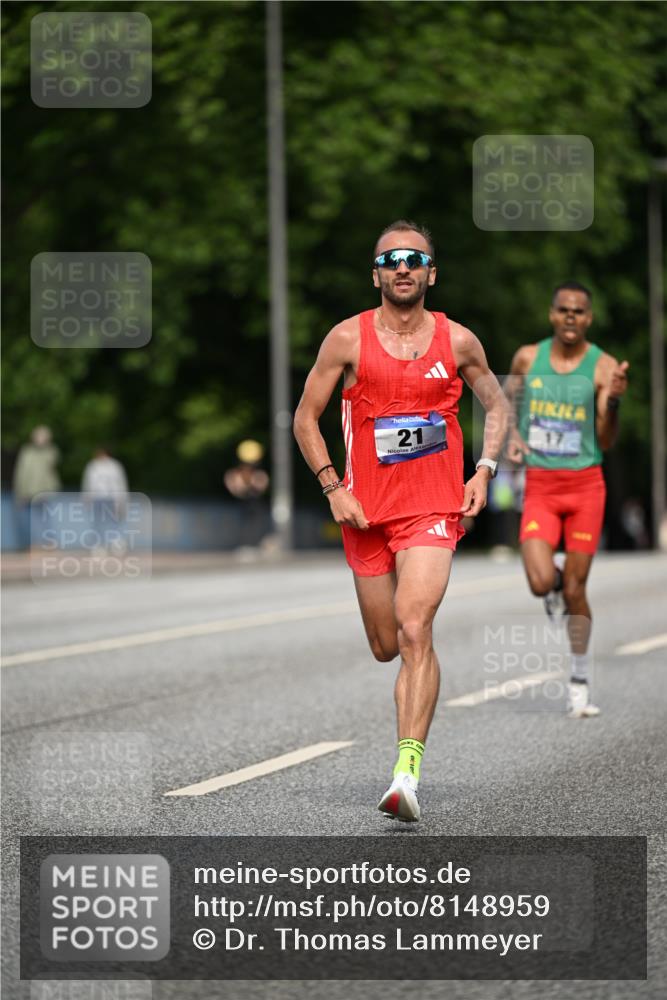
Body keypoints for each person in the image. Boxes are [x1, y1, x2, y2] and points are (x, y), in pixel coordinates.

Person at [293, 220, 508, 822]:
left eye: (414, 258)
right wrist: (332, 487)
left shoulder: (458, 341)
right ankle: (405, 753)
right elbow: (305, 418)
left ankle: (405, 773)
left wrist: (484, 471)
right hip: (364, 512)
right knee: (386, 645)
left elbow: (496, 404)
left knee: (415, 629)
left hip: (433, 507)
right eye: (391, 260)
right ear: (377, 275)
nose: (403, 267)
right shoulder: (346, 339)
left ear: (431, 273)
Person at [506, 282, 629, 719]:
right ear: (552, 314)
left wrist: (613, 403)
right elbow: (509, 403)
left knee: (576, 590)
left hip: (585, 487)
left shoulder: (604, 367)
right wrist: (514, 436)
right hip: (541, 485)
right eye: (564, 309)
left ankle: (578, 680)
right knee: (541, 582)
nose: (571, 316)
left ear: (589, 318)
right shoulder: (527, 358)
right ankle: (554, 583)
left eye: (579, 310)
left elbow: (606, 439)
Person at [12, 425, 61, 549]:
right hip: (27, 491)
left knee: (45, 518)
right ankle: (31, 543)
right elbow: (21, 472)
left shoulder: (50, 451)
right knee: (27, 519)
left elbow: (52, 461)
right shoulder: (26, 452)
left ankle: (49, 542)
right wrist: (19, 492)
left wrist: (45, 445)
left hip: (44, 491)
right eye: (38, 436)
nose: (40, 439)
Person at [81, 447, 129, 554]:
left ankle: (115, 544)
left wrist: (121, 499)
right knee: (98, 522)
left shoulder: (114, 466)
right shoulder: (93, 466)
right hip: (97, 498)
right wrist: (86, 497)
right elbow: (88, 483)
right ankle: (99, 545)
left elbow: (120, 483)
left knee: (113, 522)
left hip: (111, 498)